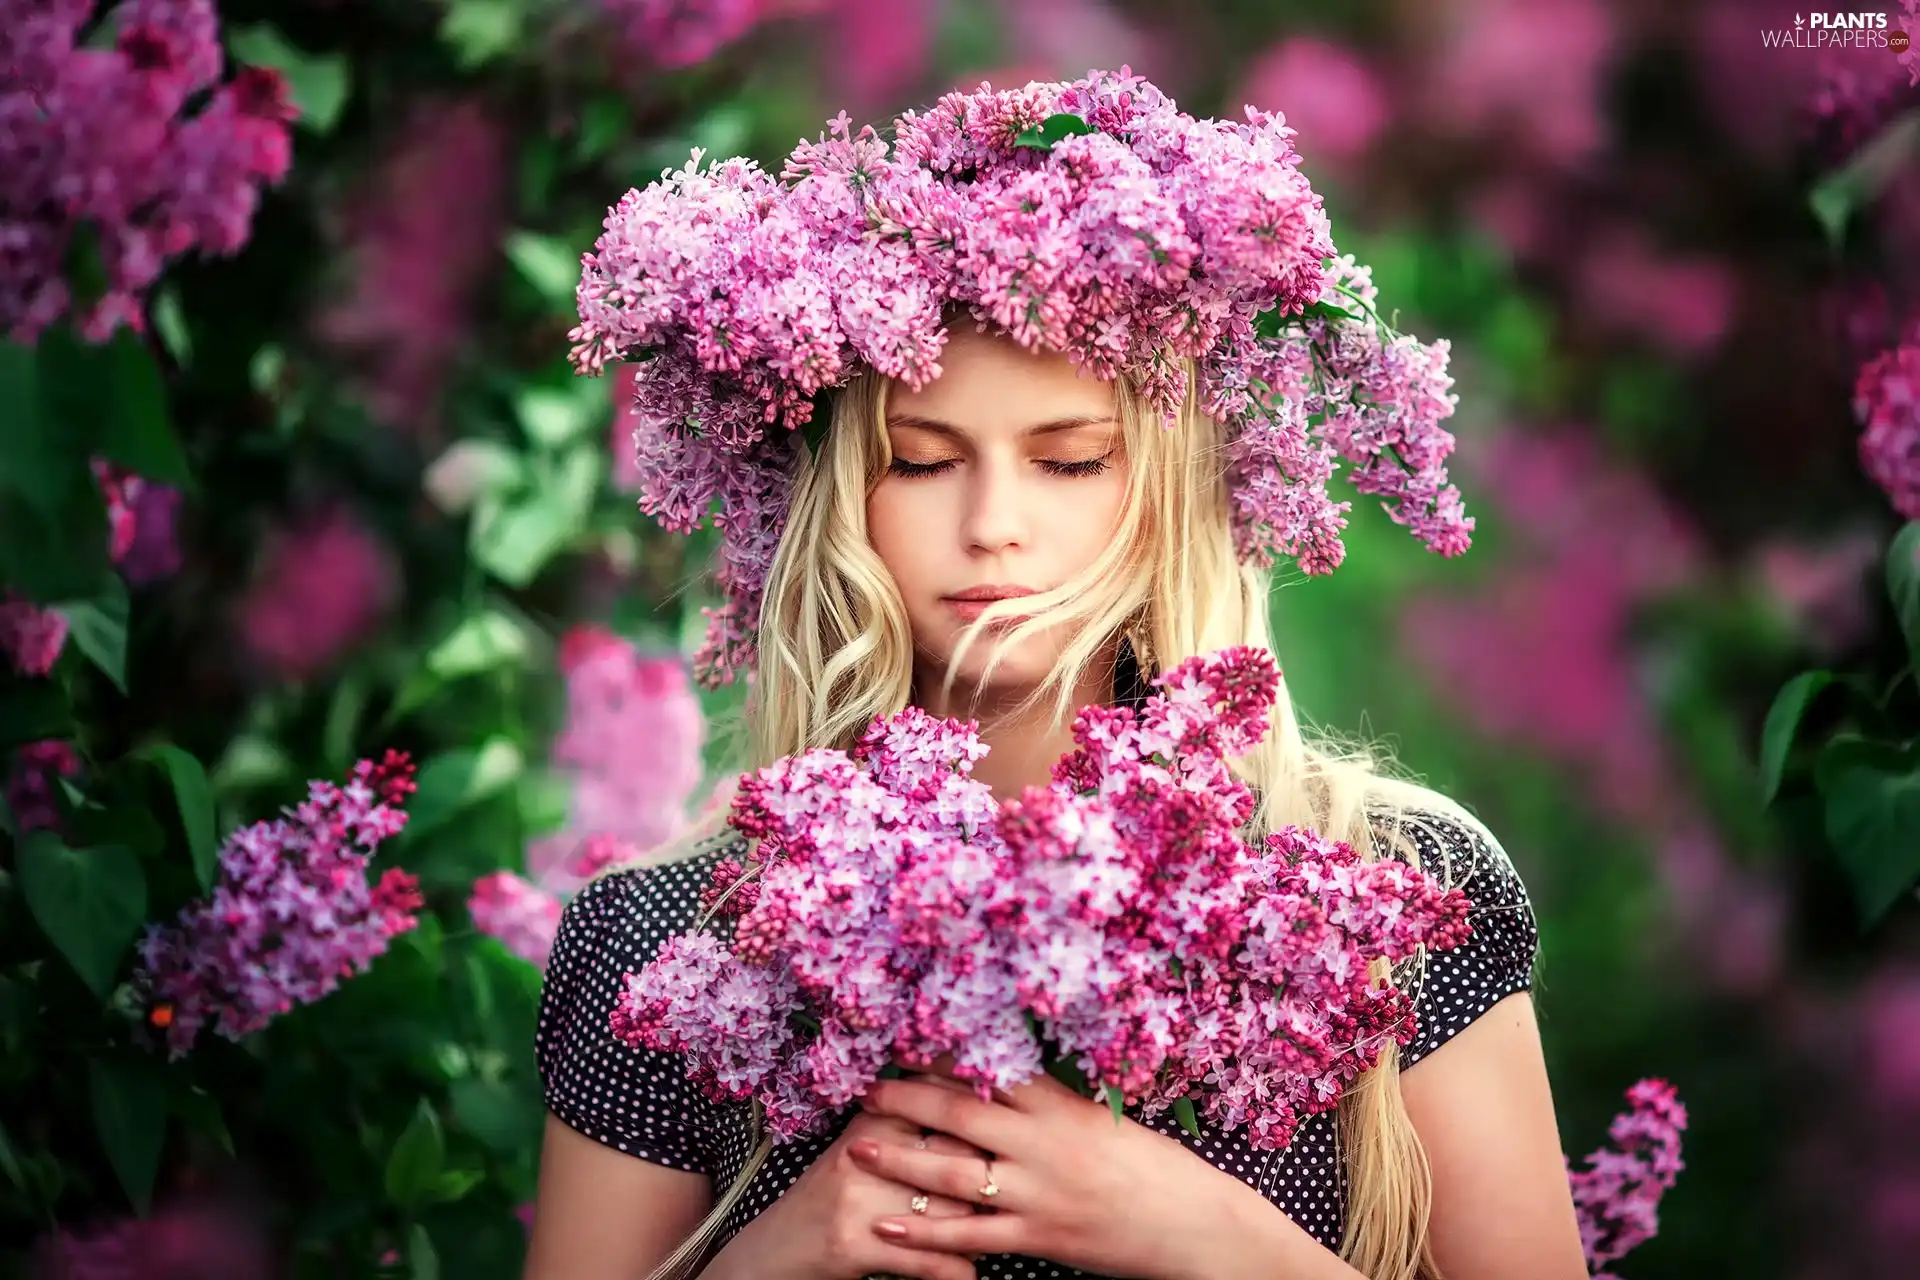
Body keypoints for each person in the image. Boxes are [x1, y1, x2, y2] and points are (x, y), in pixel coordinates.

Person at [528, 70, 1588, 1280]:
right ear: (839, 501)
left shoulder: (1387, 897)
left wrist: (1209, 1235)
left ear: (1173, 489)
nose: (993, 526)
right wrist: (765, 1258)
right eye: (923, 463)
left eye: (1071, 461)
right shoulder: (674, 947)